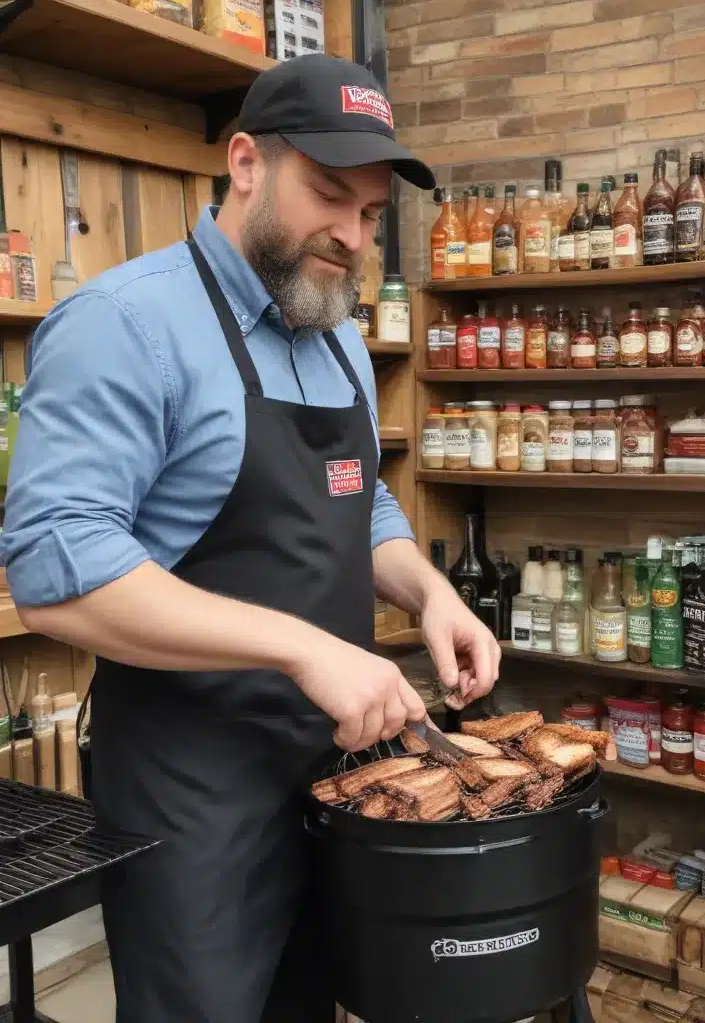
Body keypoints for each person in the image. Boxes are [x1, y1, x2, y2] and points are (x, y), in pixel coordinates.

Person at [0, 54, 500, 1022]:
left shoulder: (339, 335)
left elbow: (366, 509)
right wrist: (305, 644)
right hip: (192, 791)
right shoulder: (125, 324)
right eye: (328, 197)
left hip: (337, 774)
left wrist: (430, 594)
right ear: (243, 163)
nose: (352, 236)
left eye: (368, 215)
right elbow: (56, 569)